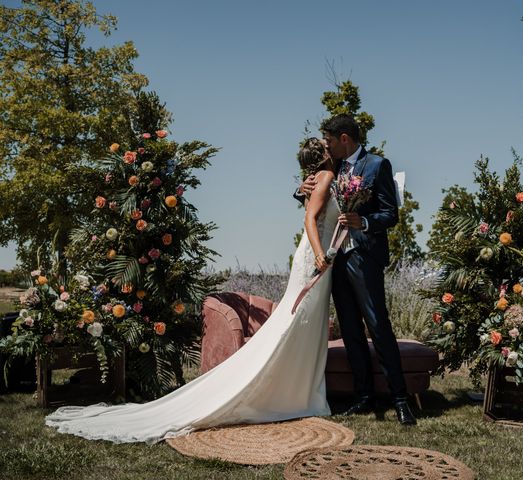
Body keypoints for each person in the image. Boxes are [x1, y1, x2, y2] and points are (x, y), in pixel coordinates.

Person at [45, 138, 338, 444]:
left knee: (302, 322)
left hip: (316, 256)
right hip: (315, 258)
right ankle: (296, 393)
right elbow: (310, 219)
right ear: (325, 156)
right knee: (298, 320)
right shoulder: (326, 177)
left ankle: (299, 390)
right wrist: (320, 255)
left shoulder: (316, 179)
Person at [297, 114, 416, 425]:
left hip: (364, 257)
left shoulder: (377, 165)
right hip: (336, 261)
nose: (327, 146)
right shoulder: (331, 168)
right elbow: (318, 202)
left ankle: (401, 399)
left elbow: (390, 214)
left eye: (330, 140)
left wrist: (363, 222)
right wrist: (301, 189)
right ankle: (362, 397)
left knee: (378, 326)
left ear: (345, 138)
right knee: (350, 329)